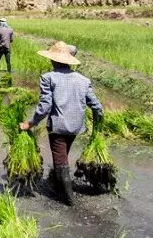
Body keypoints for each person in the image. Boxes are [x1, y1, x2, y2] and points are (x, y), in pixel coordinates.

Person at [20, 41, 103, 206]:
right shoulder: (83, 80)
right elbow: (97, 107)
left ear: (53, 60)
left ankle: (69, 199)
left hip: (58, 127)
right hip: (76, 127)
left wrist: (30, 123)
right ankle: (59, 184)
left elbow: (45, 107)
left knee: (60, 161)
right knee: (63, 155)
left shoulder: (48, 78)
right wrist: (97, 130)